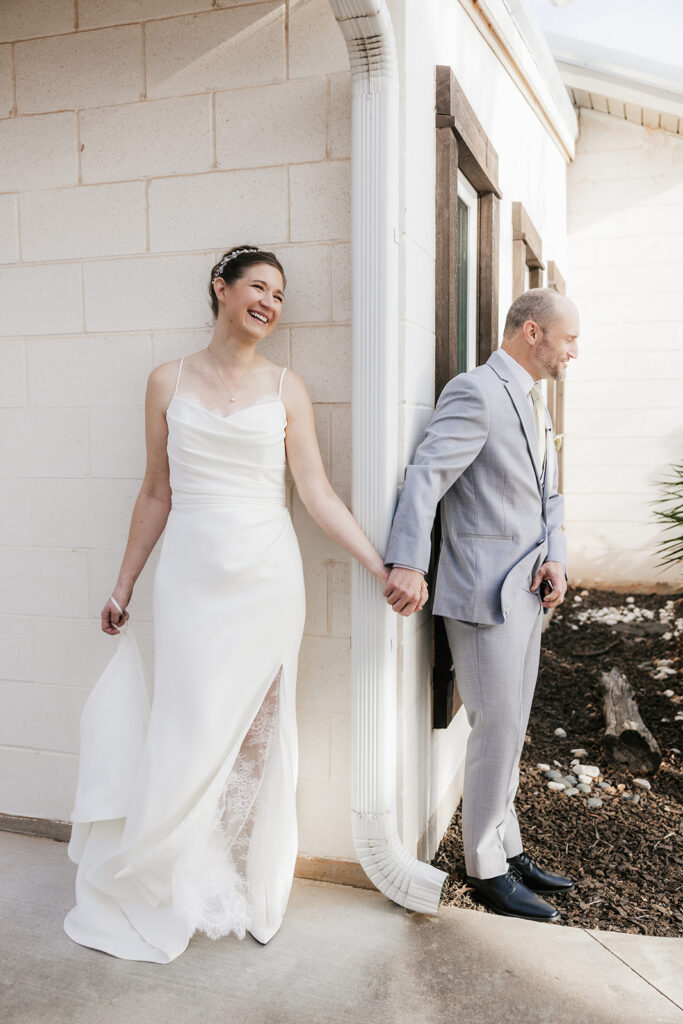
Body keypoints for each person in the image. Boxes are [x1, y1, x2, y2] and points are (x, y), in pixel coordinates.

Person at [64, 245, 426, 963]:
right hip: (191, 578)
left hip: (266, 579)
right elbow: (156, 492)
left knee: (261, 731)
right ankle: (172, 876)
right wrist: (124, 583)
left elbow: (316, 492)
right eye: (258, 286)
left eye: (280, 295)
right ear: (220, 290)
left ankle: (241, 880)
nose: (270, 302)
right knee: (187, 723)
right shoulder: (165, 380)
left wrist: (379, 564)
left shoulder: (288, 387)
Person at [382, 288, 580, 922]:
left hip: (531, 592)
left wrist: (558, 557)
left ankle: (508, 846)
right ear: (530, 332)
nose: (574, 351)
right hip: (482, 597)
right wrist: (409, 561)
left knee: (513, 727)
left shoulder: (534, 403)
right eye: (567, 338)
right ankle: (484, 866)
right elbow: (426, 477)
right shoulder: (476, 391)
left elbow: (550, 499)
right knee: (495, 725)